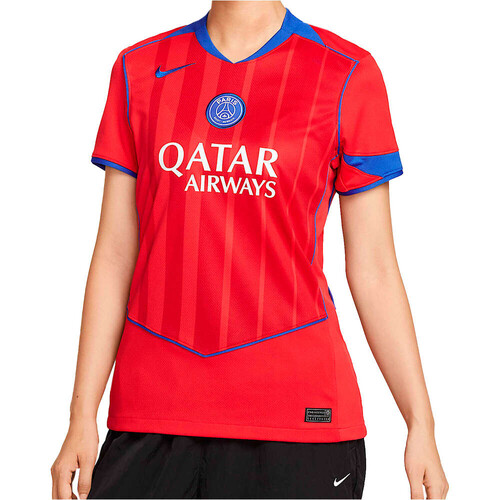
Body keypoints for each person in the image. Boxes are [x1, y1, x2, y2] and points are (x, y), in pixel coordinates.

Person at [51, 1, 448, 498]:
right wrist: (81, 415)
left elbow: (374, 269)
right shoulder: (140, 68)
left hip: (299, 422)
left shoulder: (346, 72)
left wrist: (420, 422)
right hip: (152, 411)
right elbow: (114, 254)